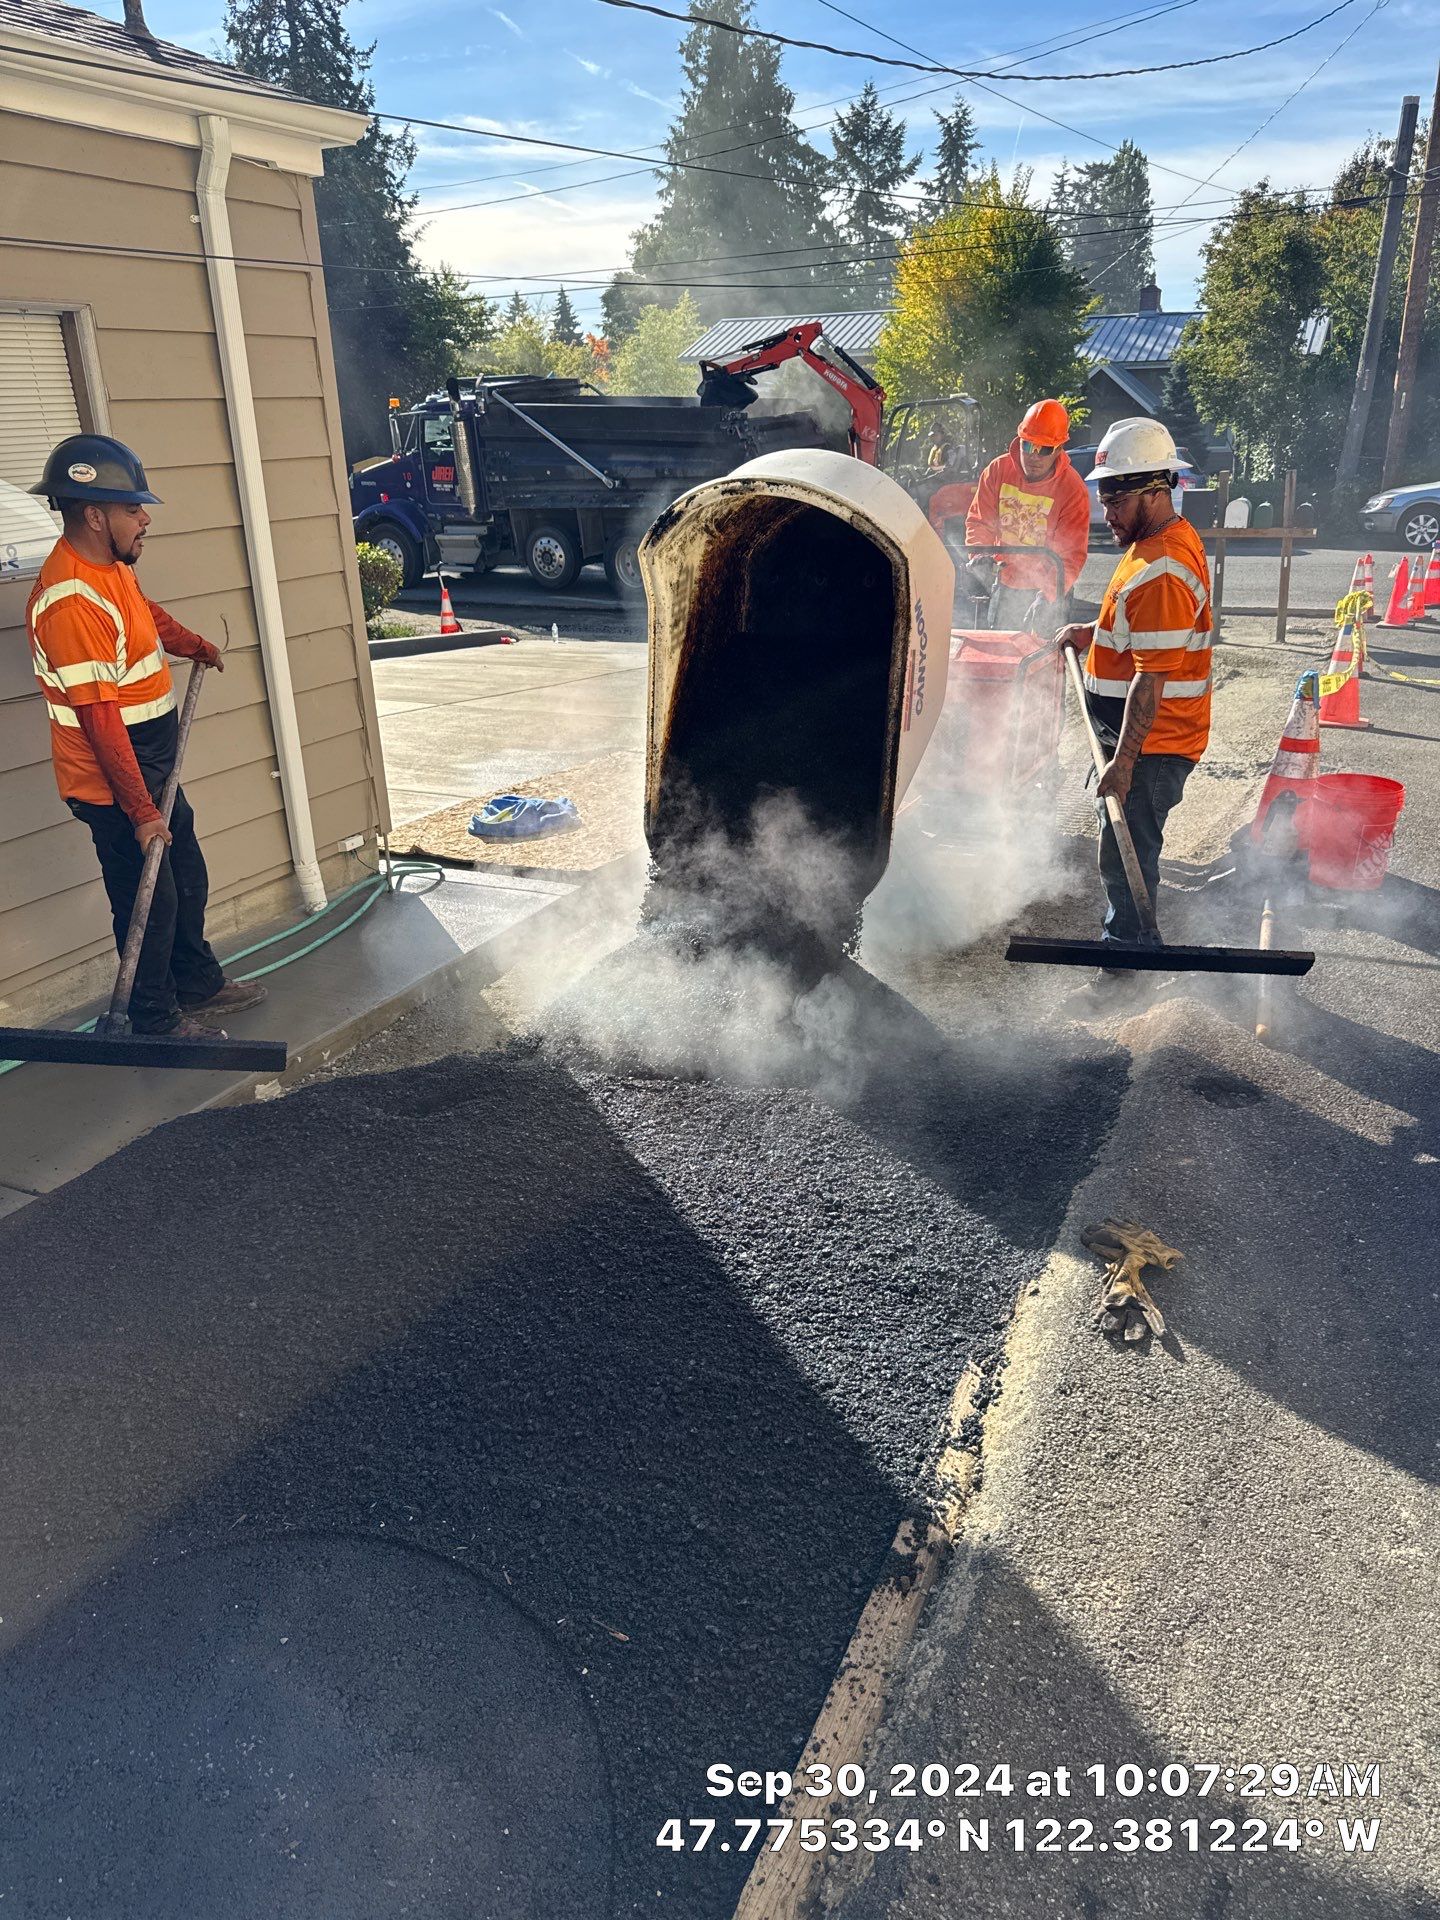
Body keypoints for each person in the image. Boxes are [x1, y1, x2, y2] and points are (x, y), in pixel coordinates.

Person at [25, 434, 268, 1038]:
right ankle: (153, 1017)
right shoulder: (69, 603)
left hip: (151, 760)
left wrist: (193, 644)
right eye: (134, 508)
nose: (145, 518)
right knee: (147, 902)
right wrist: (138, 811)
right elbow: (99, 721)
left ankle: (197, 983)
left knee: (186, 875)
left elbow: (143, 615)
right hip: (112, 779)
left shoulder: (109, 572)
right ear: (94, 514)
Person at [1053, 417, 1212, 981]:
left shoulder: (1162, 568)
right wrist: (1090, 634)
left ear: (1155, 491)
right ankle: (1128, 945)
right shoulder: (1152, 545)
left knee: (1126, 856)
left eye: (1116, 499)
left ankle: (1123, 964)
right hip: (1135, 739)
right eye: (1104, 498)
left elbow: (1151, 678)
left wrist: (1123, 763)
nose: (1107, 513)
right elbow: (1136, 633)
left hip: (1151, 744)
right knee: (1123, 850)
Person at [964, 398, 1090, 634]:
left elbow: (1071, 555)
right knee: (1002, 651)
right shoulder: (997, 471)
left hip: (1050, 587)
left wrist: (1050, 594)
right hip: (1005, 582)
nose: (1033, 456)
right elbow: (980, 521)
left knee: (1045, 659)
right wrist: (979, 554)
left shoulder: (1072, 490)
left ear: (1059, 449)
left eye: (1043, 449)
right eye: (1027, 445)